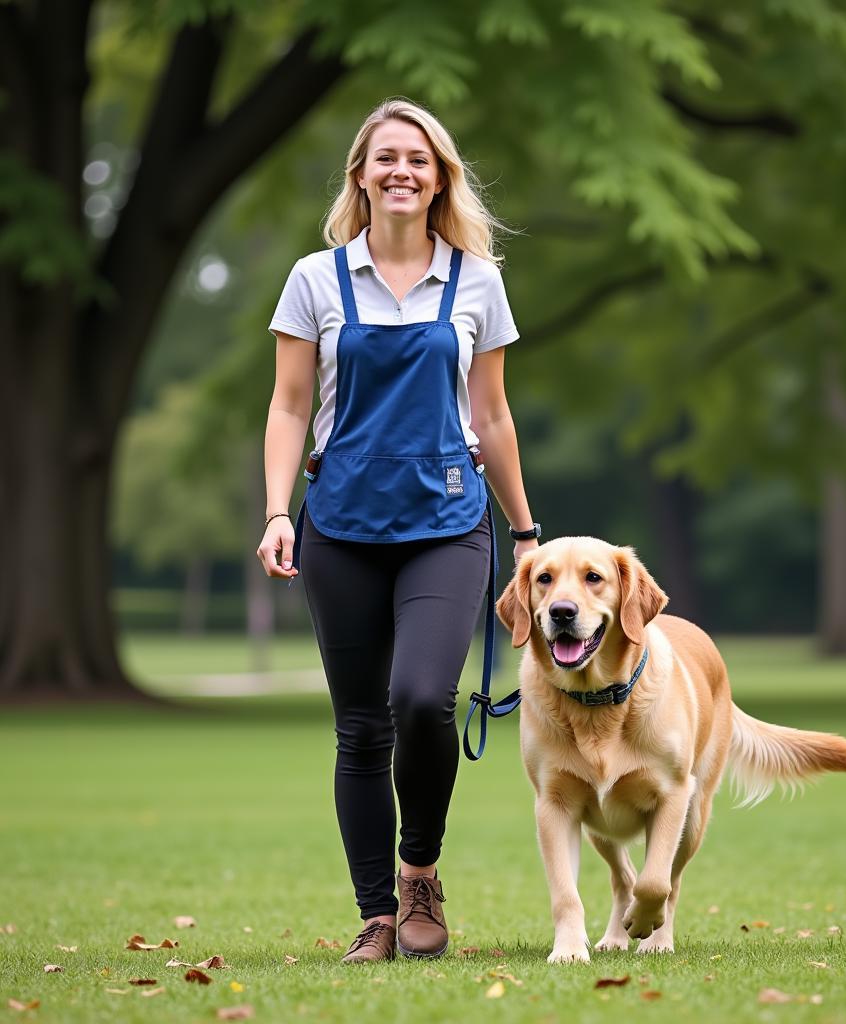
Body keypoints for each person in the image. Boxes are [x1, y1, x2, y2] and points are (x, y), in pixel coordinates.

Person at [256, 98, 539, 964]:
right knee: (360, 728)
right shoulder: (315, 279)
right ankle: (379, 915)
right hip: (339, 528)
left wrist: (525, 533)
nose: (401, 172)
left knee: (423, 700)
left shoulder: (478, 282)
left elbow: (490, 416)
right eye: (386, 158)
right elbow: (290, 404)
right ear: (361, 175)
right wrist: (276, 512)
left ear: (440, 176)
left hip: (448, 525)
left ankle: (421, 871)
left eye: (418, 159)